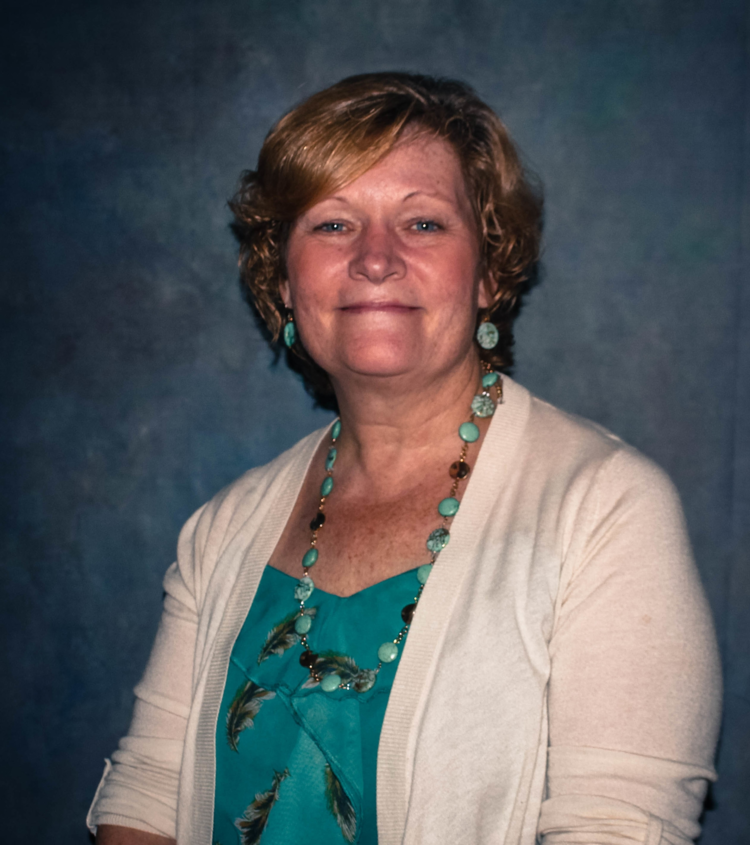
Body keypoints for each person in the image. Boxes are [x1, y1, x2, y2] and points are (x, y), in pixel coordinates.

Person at [88, 73, 721, 845]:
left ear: (489, 272)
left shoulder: (605, 507)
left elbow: (618, 827)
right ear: (284, 281)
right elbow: (148, 795)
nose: (375, 259)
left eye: (423, 223)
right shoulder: (222, 529)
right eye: (333, 224)